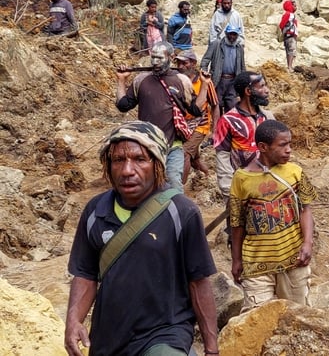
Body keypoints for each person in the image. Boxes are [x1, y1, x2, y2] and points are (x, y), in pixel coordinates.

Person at [65, 121, 218, 356]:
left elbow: (198, 281)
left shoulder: (181, 211)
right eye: (118, 160)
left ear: (157, 164)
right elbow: (85, 274)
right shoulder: (95, 211)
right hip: (109, 338)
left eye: (139, 159)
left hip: (165, 334)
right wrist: (74, 321)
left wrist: (212, 348)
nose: (127, 170)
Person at [230, 120, 317, 310]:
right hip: (256, 264)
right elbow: (237, 223)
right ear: (263, 147)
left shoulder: (295, 172)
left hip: (293, 260)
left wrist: (308, 243)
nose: (289, 150)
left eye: (290, 144)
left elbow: (305, 209)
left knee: (298, 316)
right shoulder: (242, 178)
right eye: (283, 145)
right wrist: (236, 259)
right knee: (256, 319)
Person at [116, 42, 209, 193]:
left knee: (174, 184)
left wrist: (204, 85)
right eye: (153, 58)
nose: (155, 62)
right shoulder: (141, 80)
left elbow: (196, 109)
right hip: (147, 147)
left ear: (171, 58)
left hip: (173, 146)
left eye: (160, 58)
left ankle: (176, 215)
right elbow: (123, 105)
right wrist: (121, 80)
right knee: (148, 187)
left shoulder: (182, 81)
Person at [213, 71, 275, 237]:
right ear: (248, 91)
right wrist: (229, 192)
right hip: (241, 189)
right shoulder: (228, 121)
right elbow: (223, 157)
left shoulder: (268, 118)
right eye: (262, 86)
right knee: (239, 233)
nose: (267, 90)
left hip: (269, 187)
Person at [174, 50, 219, 184]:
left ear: (193, 64)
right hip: (182, 125)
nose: (180, 66)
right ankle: (207, 176)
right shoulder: (176, 80)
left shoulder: (204, 81)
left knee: (184, 153)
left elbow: (215, 105)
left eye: (184, 63)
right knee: (194, 159)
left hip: (200, 125)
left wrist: (215, 130)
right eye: (178, 63)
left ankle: (179, 190)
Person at [201, 24, 245, 113]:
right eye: (230, 34)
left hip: (233, 81)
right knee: (217, 105)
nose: (232, 36)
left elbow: (242, 65)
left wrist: (243, 80)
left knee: (232, 105)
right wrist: (204, 71)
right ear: (226, 33)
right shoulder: (216, 44)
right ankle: (218, 125)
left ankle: (228, 125)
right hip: (219, 80)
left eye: (234, 34)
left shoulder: (239, 48)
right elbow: (206, 59)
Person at [279, 0, 299, 71]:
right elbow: (281, 24)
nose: (296, 7)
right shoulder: (288, 14)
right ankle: (290, 67)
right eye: (294, 6)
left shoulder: (291, 15)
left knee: (289, 51)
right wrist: (286, 31)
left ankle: (289, 66)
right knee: (291, 50)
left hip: (290, 35)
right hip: (289, 35)